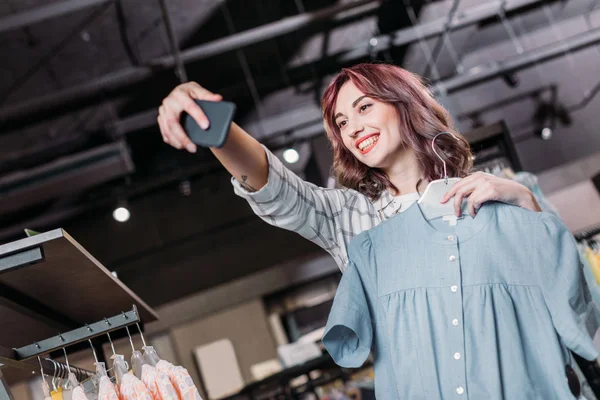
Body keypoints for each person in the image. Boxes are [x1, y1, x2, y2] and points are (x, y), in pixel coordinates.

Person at [157, 63, 552, 271]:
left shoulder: (488, 192)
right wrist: (214, 127)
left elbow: (563, 291)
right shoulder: (348, 217)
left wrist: (524, 200)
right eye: (342, 123)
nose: (353, 128)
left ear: (405, 105)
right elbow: (274, 190)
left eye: (364, 107)